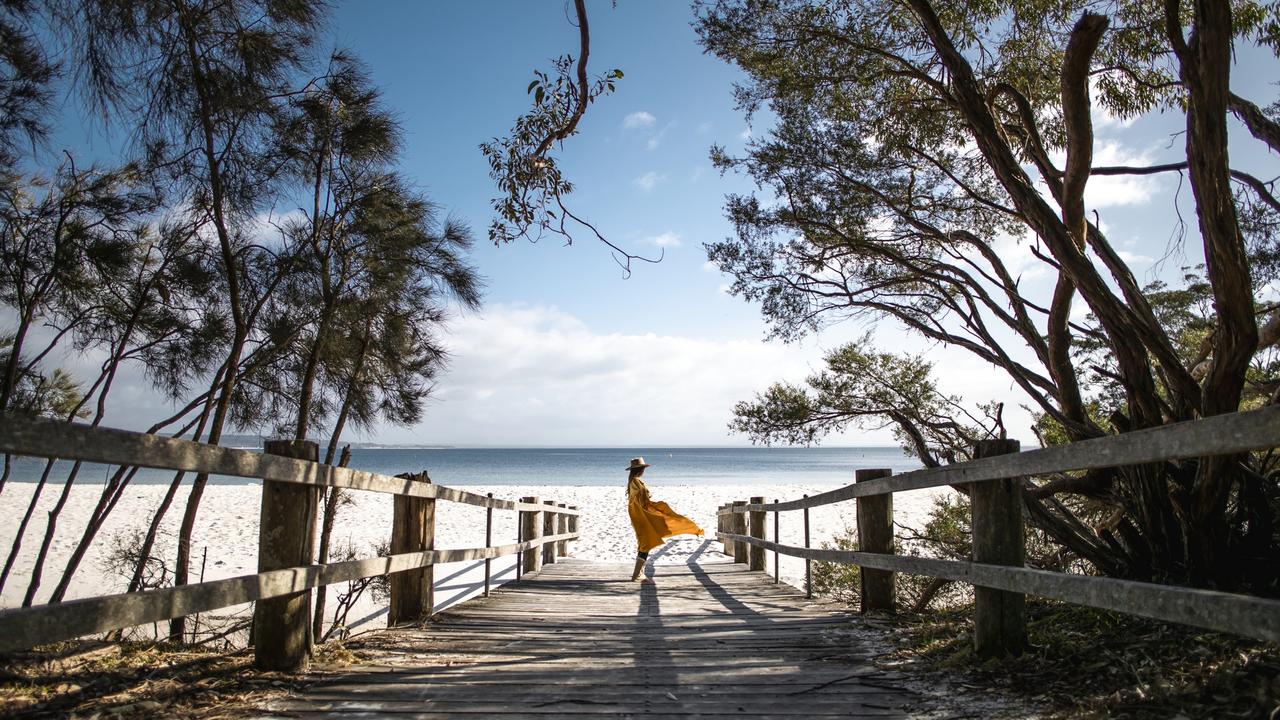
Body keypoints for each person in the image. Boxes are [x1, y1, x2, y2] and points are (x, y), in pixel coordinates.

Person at [625, 457, 703, 582]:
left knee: (646, 543)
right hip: (641, 516)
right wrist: (647, 494)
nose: (644, 471)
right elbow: (639, 496)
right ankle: (637, 575)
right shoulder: (635, 481)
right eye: (643, 468)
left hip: (642, 515)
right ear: (640, 469)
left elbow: (641, 496)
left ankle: (639, 574)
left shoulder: (636, 481)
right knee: (645, 543)